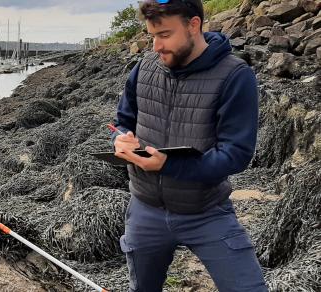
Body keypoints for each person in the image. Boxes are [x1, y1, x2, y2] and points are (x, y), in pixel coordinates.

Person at [111, 0, 267, 291]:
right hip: (145, 210)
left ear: (193, 25)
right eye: (152, 36)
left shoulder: (235, 76)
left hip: (206, 210)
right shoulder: (144, 67)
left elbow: (236, 154)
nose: (156, 46)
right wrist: (120, 138)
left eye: (165, 35)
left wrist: (169, 165)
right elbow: (123, 120)